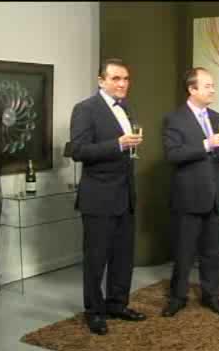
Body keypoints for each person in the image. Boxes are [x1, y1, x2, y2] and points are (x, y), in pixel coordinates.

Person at [70, 58, 146, 335]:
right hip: (99, 197)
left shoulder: (126, 107)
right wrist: (118, 144)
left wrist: (127, 146)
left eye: (126, 79)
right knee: (96, 259)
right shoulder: (85, 109)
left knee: (123, 257)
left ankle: (117, 304)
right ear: (101, 81)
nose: (122, 84)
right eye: (116, 78)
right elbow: (78, 151)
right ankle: (94, 311)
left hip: (125, 195)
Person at [161, 67, 219, 317]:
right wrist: (206, 144)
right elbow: (172, 155)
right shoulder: (174, 119)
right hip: (188, 197)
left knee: (213, 252)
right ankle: (177, 297)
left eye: (213, 85)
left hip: (214, 197)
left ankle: (211, 296)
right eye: (207, 86)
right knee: (184, 252)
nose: (213, 90)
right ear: (192, 89)